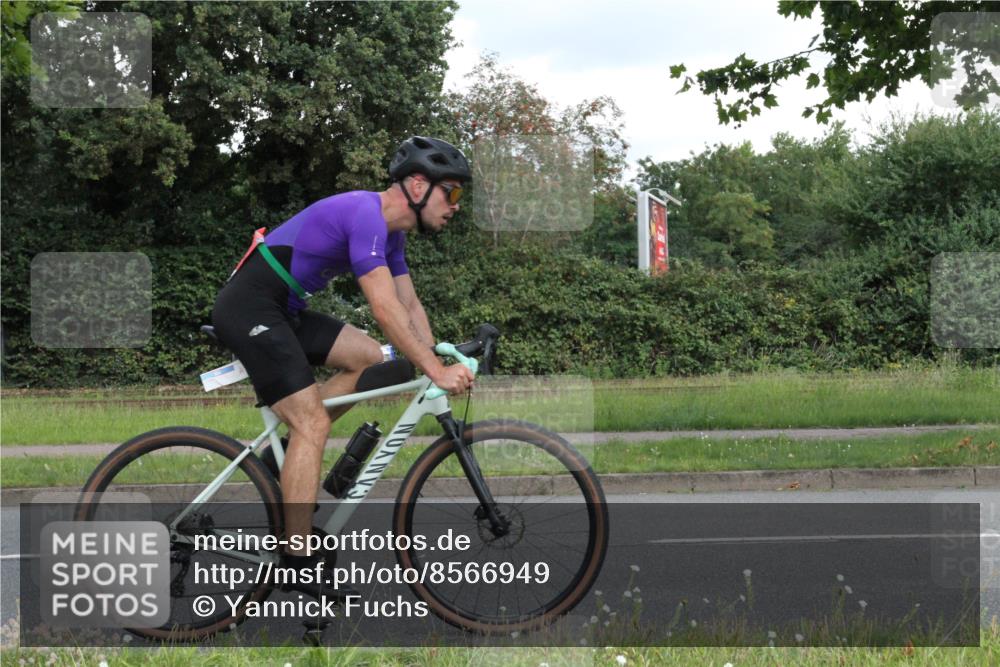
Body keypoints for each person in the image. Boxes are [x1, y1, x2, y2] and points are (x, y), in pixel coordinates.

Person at [211, 136, 476, 598]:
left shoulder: (391, 234)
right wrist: (434, 370)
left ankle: (293, 448)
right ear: (417, 184)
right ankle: (296, 558)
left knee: (370, 357)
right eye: (451, 192)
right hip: (249, 307)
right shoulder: (365, 216)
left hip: (283, 309)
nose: (456, 205)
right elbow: (383, 308)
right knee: (314, 420)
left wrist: (438, 353)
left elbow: (407, 304)